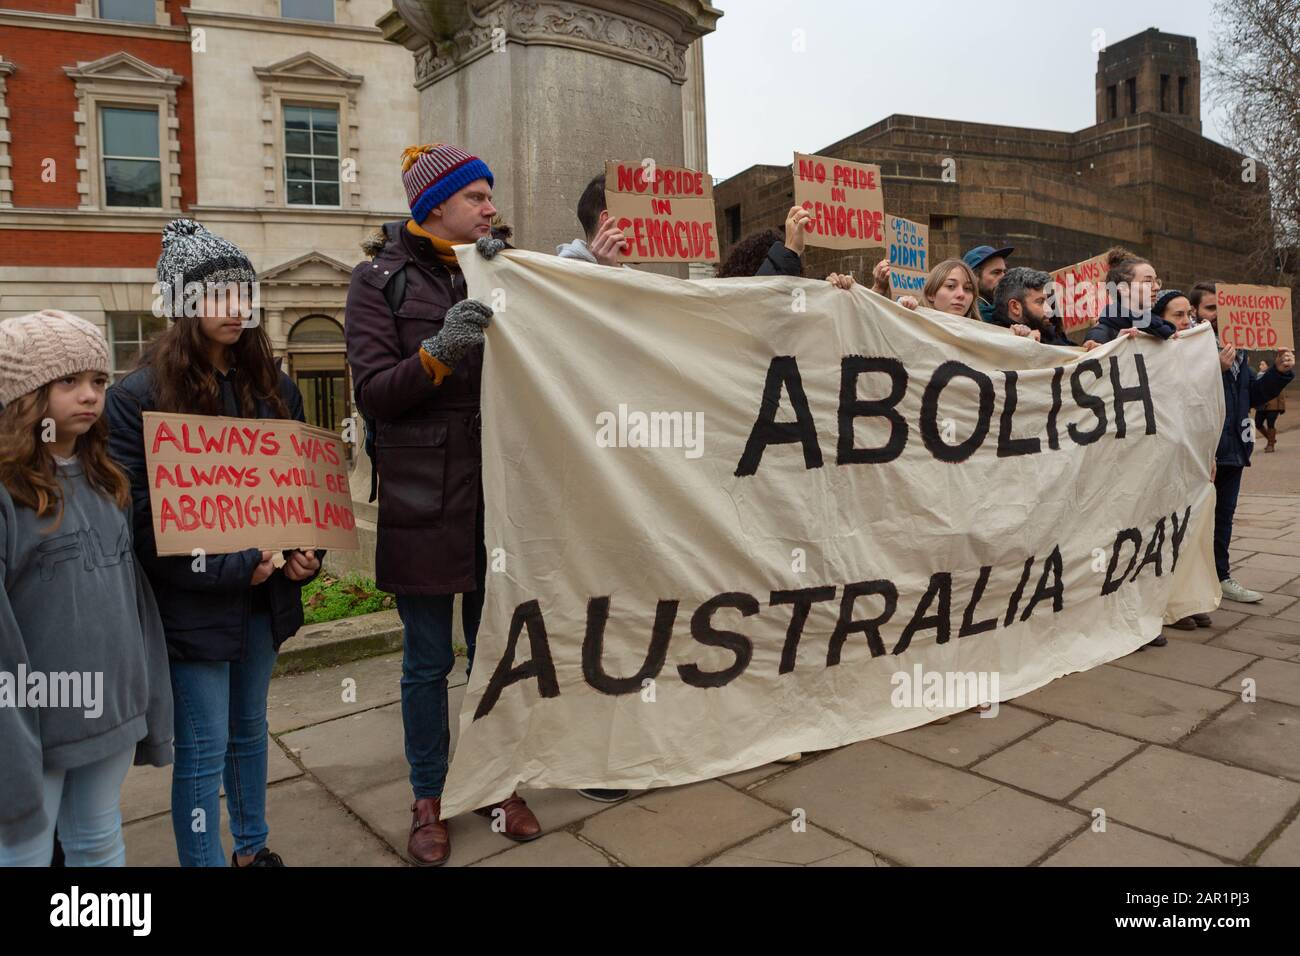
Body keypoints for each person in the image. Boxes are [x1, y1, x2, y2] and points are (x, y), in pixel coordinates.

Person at [344, 144, 542, 865]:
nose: (492, 207)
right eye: (477, 197)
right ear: (434, 207)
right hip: (424, 496)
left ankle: (494, 782)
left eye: (491, 196)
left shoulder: (502, 268)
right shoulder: (377, 281)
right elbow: (373, 395)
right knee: (427, 660)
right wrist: (440, 351)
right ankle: (429, 794)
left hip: (498, 493)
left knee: (494, 652)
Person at [106, 220, 321, 867]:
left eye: (242, 293)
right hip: (193, 606)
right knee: (201, 750)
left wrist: (306, 554)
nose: (235, 308)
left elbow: (300, 489)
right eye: (215, 295)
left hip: (263, 599)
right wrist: (230, 566)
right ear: (180, 305)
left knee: (250, 731)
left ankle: (251, 852)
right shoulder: (136, 397)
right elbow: (139, 525)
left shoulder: (274, 386)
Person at [0, 311, 173, 867]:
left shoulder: (107, 479)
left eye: (98, 381)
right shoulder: (9, 493)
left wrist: (146, 693)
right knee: (24, 848)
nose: (90, 395)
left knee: (98, 839)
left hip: (112, 708)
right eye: (67, 382)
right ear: (24, 395)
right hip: (38, 717)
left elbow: (131, 601)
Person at [1197, 285, 1295, 603]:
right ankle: (1190, 584)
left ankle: (1221, 575)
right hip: (1203, 451)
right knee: (1195, 520)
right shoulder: (1190, 347)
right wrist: (1215, 368)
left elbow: (1252, 394)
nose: (1217, 316)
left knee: (1224, 517)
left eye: (1220, 309)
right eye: (1210, 309)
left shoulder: (1238, 351)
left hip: (1234, 450)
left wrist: (1279, 372)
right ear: (1197, 312)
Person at [1083, 247, 1174, 349]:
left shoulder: (1162, 328)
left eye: (1156, 281)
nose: (1157, 287)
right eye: (1148, 281)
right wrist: (1115, 346)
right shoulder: (1100, 334)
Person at [557, 173, 631, 266]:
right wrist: (609, 272)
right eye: (635, 217)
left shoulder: (634, 277)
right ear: (607, 219)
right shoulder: (561, 274)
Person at [990, 267, 1071, 344]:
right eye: (1040, 302)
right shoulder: (995, 341)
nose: (1049, 310)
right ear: (1015, 307)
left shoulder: (1049, 333)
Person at [961, 244, 1014, 322]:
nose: (1004, 277)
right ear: (974, 276)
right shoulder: (967, 310)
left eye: (1004, 272)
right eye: (996, 272)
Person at [1255, 359, 1285, 453]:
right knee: (1258, 423)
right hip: (1261, 405)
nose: (1260, 366)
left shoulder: (1274, 376)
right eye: (1260, 364)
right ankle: (1271, 439)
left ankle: (1270, 445)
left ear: (1268, 366)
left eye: (1263, 364)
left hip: (1273, 405)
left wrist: (1281, 406)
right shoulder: (1258, 376)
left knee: (1270, 424)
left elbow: (1281, 391)